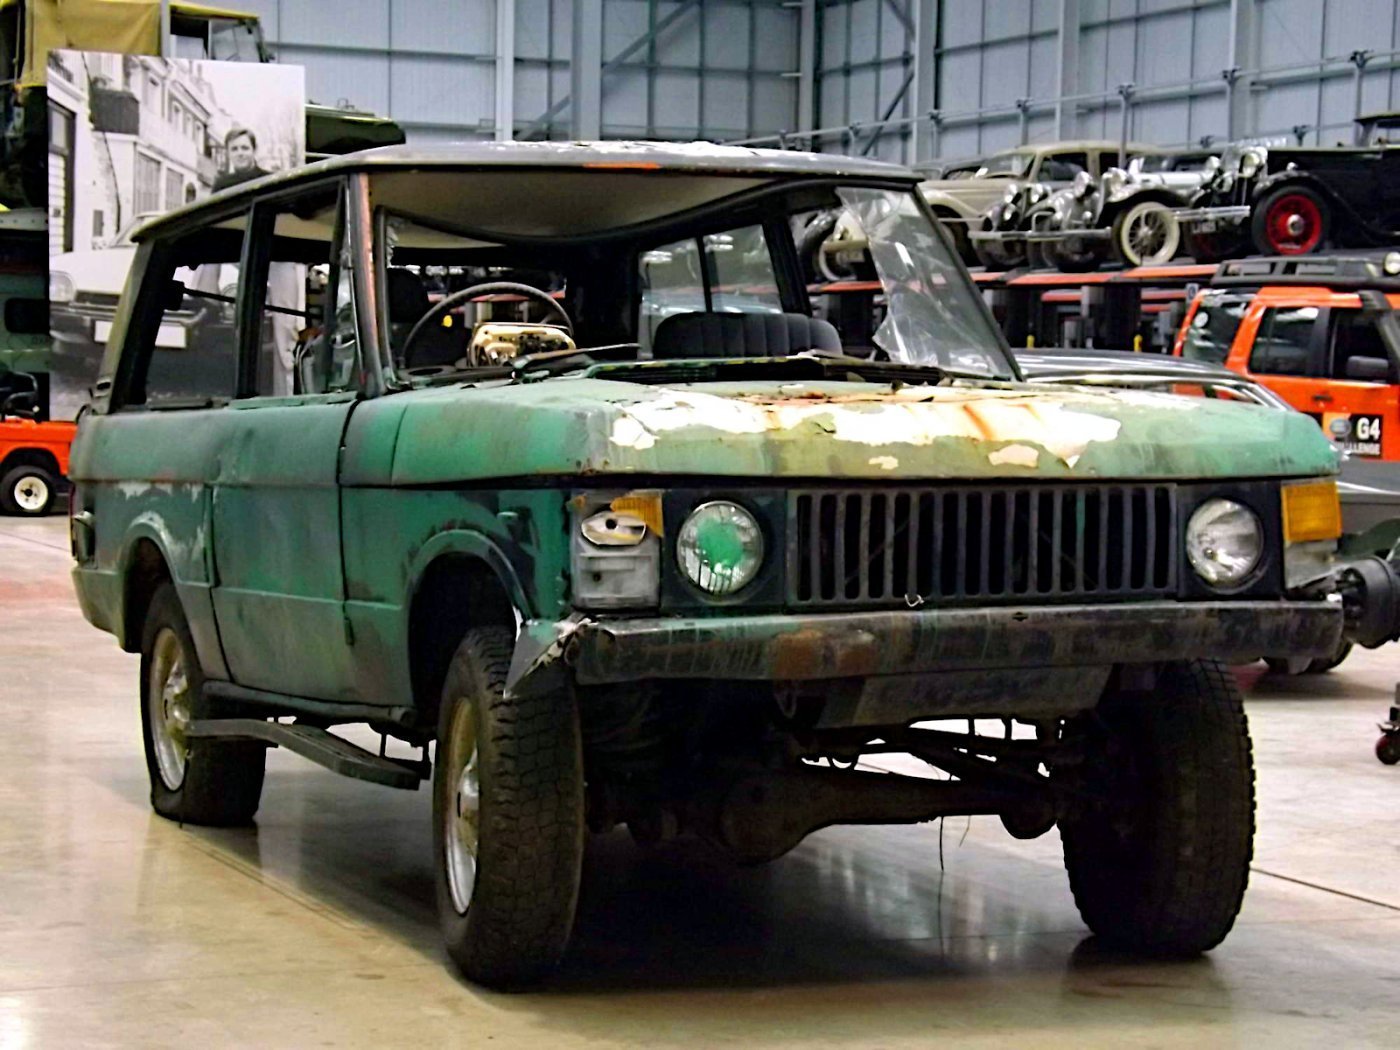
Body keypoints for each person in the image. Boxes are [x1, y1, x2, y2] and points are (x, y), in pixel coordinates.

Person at [213, 127, 269, 191]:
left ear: (255, 149)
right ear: (227, 153)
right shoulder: (221, 186)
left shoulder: (270, 180)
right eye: (234, 149)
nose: (240, 153)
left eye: (245, 148)